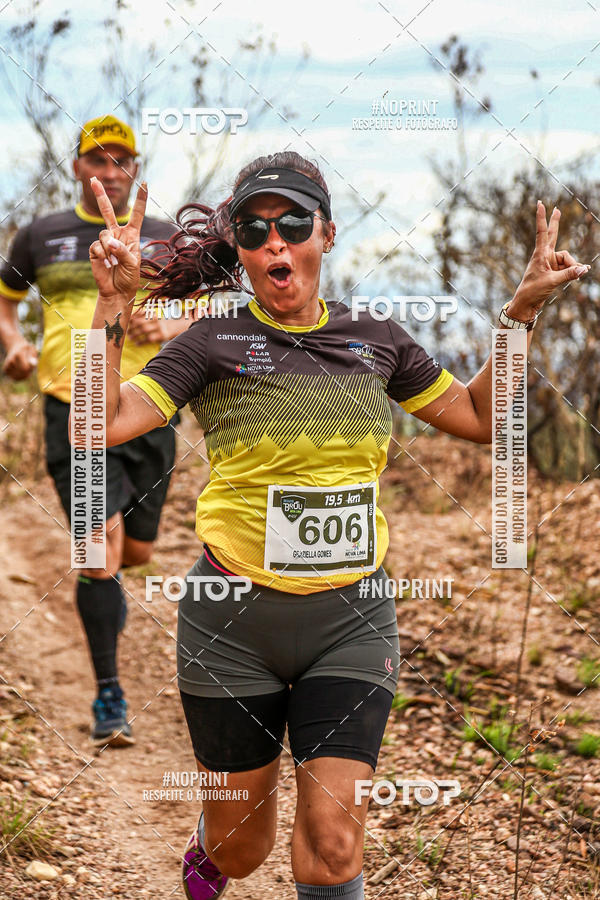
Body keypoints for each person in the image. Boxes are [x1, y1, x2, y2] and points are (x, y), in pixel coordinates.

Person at [80, 151, 588, 900]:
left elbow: (483, 419)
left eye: (292, 223)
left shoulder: (375, 339)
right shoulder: (212, 344)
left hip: (352, 621)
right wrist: (110, 305)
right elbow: (98, 424)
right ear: (242, 251)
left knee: (334, 843)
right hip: (232, 623)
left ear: (327, 232)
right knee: (242, 848)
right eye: (253, 231)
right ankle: (209, 847)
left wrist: (519, 314)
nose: (274, 242)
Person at [0, 114, 196, 748]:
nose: (109, 172)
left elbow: (206, 308)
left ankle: (110, 596)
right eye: (96, 161)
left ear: (134, 167)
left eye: (121, 161)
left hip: (150, 410)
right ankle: (110, 694)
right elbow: (4, 301)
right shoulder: (42, 235)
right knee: (99, 547)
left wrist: (165, 326)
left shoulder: (165, 238)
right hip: (72, 410)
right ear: (77, 166)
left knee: (135, 553)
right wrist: (15, 343)